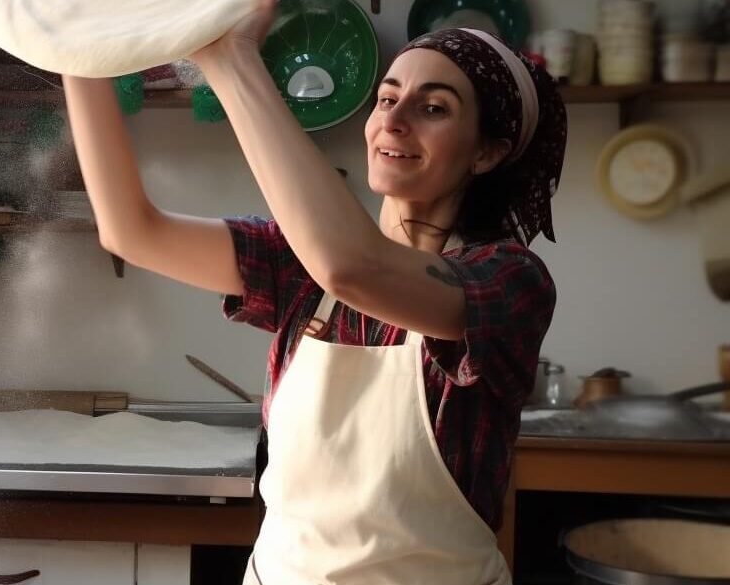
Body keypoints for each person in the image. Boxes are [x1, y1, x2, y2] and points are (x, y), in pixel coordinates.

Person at [62, 1, 567, 582]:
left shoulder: (510, 280)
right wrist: (74, 44)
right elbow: (133, 231)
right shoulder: (301, 261)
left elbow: (354, 269)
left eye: (433, 108)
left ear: (488, 151)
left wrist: (232, 60)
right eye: (386, 98)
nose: (394, 120)